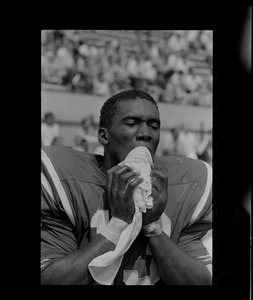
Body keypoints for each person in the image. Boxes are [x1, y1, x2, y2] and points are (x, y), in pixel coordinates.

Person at [41, 89, 212, 285]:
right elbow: (51, 279)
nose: (145, 133)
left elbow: (200, 282)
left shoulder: (187, 185)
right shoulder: (66, 182)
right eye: (132, 124)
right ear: (104, 136)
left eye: (153, 126)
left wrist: (153, 227)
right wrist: (118, 223)